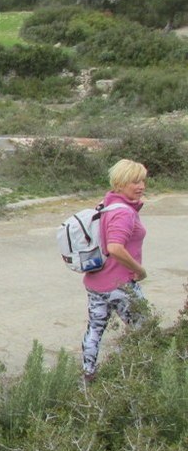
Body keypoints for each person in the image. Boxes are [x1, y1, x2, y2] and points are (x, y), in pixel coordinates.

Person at [81, 158, 149, 382]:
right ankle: (133, 376)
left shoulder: (105, 204)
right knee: (145, 330)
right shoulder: (124, 213)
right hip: (120, 285)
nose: (140, 186)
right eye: (134, 181)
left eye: (142, 181)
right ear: (120, 183)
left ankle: (88, 375)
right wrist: (140, 270)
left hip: (96, 283)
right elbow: (115, 248)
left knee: (94, 330)